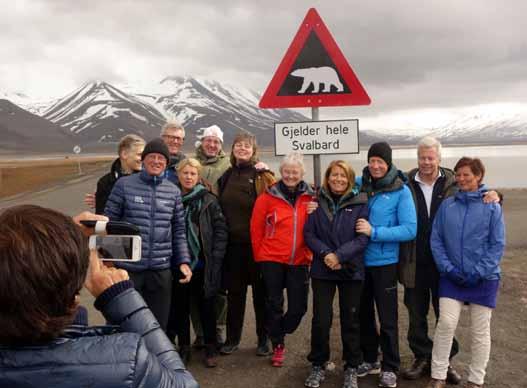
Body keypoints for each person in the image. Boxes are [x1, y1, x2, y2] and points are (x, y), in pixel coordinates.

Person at [0, 205, 198, 388]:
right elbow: (184, 384)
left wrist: (58, 239)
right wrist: (122, 298)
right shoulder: (127, 362)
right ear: (74, 296)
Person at [400, 137, 500, 384]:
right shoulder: (405, 182)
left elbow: (477, 191)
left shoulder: (454, 181)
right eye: (422, 157)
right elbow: (375, 181)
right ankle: (421, 357)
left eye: (430, 157)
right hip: (415, 260)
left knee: (445, 319)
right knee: (416, 313)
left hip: (447, 264)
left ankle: (445, 364)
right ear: (418, 158)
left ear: (439, 158)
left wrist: (496, 195)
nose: (426, 162)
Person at [425, 157, 505, 388]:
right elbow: (436, 239)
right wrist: (448, 269)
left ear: (478, 176)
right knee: (446, 324)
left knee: (480, 331)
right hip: (452, 277)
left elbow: (497, 244)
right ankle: (438, 374)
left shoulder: (492, 206)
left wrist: (479, 272)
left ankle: (476, 379)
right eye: (458, 174)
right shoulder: (448, 205)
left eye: (466, 175)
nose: (461, 179)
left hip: (484, 278)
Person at [104, 138, 192, 331]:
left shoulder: (173, 191)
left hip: (161, 269)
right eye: (152, 157)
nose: (156, 161)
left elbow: (178, 230)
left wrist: (183, 261)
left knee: (156, 326)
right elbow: (109, 223)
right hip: (129, 269)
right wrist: (109, 261)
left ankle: (153, 361)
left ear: (167, 164)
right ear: (143, 160)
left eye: (161, 158)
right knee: (123, 322)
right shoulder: (124, 185)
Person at [355, 142, 417, 388]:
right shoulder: (359, 184)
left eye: (381, 161)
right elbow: (334, 194)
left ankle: (391, 365)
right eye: (373, 161)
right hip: (359, 261)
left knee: (388, 317)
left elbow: (410, 229)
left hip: (385, 263)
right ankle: (370, 359)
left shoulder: (400, 190)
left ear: (388, 163)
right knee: (363, 314)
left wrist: (375, 232)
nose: (376, 165)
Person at [303, 160, 370, 388]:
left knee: (351, 319)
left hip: (350, 269)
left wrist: (339, 256)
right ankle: (318, 364)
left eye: (343, 175)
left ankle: (352, 366)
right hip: (323, 269)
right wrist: (326, 254)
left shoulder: (361, 203)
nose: (338, 179)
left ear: (349, 178)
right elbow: (309, 234)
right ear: (327, 177)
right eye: (334, 175)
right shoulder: (316, 202)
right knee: (321, 320)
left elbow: (362, 238)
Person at [250, 152, 314, 367]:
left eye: (294, 172)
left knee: (299, 308)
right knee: (274, 303)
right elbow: (256, 229)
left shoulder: (311, 197)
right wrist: (260, 256)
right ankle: (278, 345)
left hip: (300, 260)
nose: (290, 175)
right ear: (281, 172)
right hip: (272, 259)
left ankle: (277, 329)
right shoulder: (267, 197)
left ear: (302, 173)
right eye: (286, 171)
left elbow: (319, 226)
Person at [217, 132, 276, 356]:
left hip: (258, 246)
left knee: (261, 295)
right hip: (233, 247)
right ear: (232, 150)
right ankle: (233, 340)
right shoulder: (227, 175)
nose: (242, 149)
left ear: (254, 151)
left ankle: (264, 339)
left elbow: (277, 201)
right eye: (238, 145)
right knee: (235, 295)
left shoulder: (262, 175)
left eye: (247, 146)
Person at [167, 158, 228, 368]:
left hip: (203, 263)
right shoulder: (170, 198)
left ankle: (210, 347)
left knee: (207, 308)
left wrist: (217, 258)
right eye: (185, 173)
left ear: (198, 176)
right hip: (177, 264)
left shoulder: (209, 200)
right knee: (180, 309)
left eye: (193, 174)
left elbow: (220, 231)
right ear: (178, 175)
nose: (189, 177)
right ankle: (184, 347)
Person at [85, 134, 145, 214]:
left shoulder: (149, 180)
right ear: (124, 154)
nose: (143, 159)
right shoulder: (105, 182)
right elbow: (101, 218)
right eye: (140, 155)